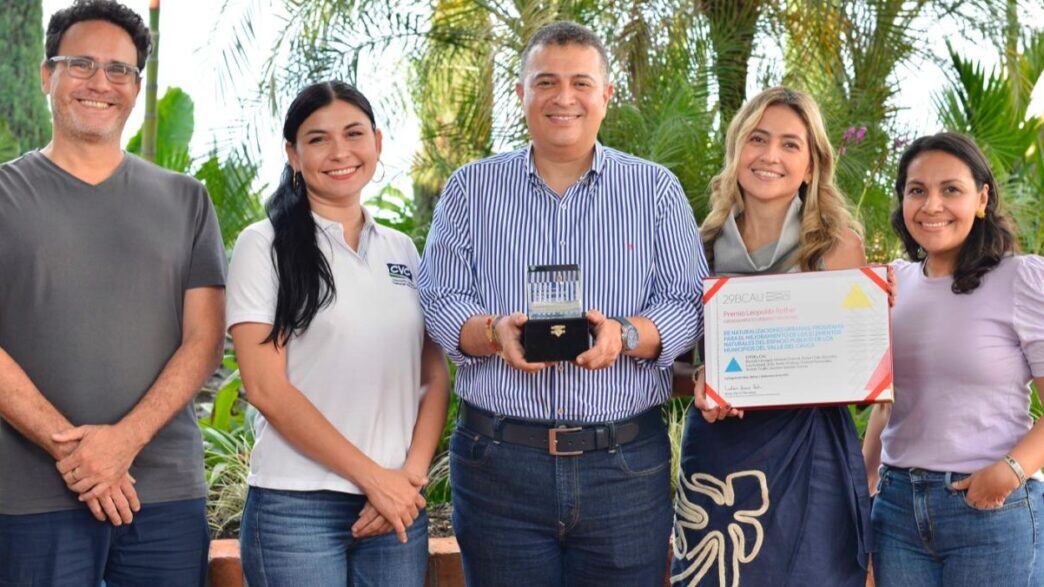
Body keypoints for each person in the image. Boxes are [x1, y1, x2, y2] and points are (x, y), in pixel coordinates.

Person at [418, 20, 706, 586]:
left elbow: (686, 302)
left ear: (606, 95)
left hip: (623, 466)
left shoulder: (654, 190)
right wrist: (493, 334)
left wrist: (625, 334)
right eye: (546, 81)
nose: (563, 97)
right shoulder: (470, 189)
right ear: (521, 93)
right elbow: (440, 297)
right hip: (498, 464)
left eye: (580, 82)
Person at [0, 1, 227, 584]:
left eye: (119, 69)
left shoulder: (188, 200)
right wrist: (78, 455)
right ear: (47, 75)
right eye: (80, 64)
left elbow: (204, 342)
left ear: (136, 87)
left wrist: (124, 442)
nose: (100, 82)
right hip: (29, 498)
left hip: (165, 494)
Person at [226, 80, 450, 586]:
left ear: (377, 142)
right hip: (296, 507)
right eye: (318, 139)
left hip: (396, 506)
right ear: (293, 153)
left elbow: (433, 375)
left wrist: (408, 480)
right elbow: (265, 388)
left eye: (353, 134)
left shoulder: (402, 249)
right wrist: (374, 479)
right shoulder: (262, 245)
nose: (340, 152)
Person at [671, 87, 871, 586]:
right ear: (736, 148)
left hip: (811, 450)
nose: (770, 156)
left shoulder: (838, 248)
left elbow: (861, 377)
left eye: (790, 144)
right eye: (758, 138)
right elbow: (667, 363)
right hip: (720, 451)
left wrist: (871, 332)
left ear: (810, 165)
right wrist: (699, 379)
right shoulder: (698, 248)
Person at [861, 132, 1044, 586]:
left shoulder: (1019, 278)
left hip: (991, 511)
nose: (932, 205)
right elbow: (886, 402)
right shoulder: (890, 285)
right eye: (917, 190)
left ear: (982, 199)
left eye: (951, 189)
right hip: (897, 511)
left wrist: (1009, 472)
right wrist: (864, 486)